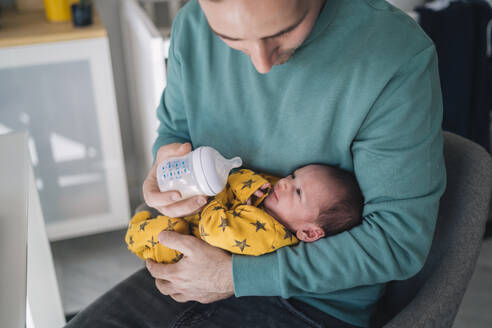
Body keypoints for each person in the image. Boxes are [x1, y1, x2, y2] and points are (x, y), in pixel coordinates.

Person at [65, 0, 446, 327]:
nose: (263, 64)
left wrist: (236, 276)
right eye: (232, 40)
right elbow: (175, 131)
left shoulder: (393, 56)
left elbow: (398, 242)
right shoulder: (192, 26)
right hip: (196, 258)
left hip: (311, 300)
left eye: (285, 30)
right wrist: (164, 168)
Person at [126, 164, 364, 262]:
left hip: (191, 240)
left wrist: (215, 196)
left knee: (163, 235)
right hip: (194, 214)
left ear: (309, 232)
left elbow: (215, 231)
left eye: (299, 192)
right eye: (293, 176)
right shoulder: (273, 194)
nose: (285, 183)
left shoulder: (267, 235)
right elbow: (238, 175)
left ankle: (135, 235)